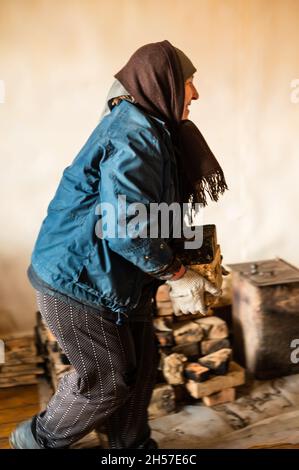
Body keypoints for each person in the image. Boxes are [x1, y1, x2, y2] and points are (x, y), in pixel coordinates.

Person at [10, 40, 227, 449]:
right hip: (79, 279)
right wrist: (179, 275)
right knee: (107, 381)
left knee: (141, 370)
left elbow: (156, 212)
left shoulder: (155, 130)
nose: (195, 93)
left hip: (120, 278)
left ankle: (131, 449)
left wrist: (198, 260)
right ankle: (34, 441)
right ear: (160, 83)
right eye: (189, 82)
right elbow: (126, 226)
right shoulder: (134, 136)